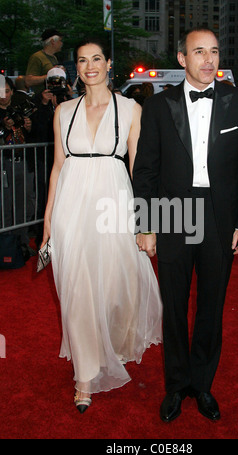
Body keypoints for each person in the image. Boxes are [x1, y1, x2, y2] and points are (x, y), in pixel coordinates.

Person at [133, 27, 238, 423]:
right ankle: (176, 386)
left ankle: (202, 384)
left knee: (212, 304)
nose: (209, 60)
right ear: (181, 58)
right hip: (173, 213)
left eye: (215, 52)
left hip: (221, 216)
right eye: (199, 52)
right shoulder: (158, 106)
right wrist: (145, 224)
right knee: (173, 306)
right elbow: (146, 171)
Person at [41, 37, 162, 413]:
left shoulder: (130, 109)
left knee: (115, 285)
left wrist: (148, 223)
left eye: (96, 59)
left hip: (116, 206)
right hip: (70, 209)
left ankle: (114, 343)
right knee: (77, 289)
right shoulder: (63, 112)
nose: (89, 66)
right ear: (75, 67)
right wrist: (47, 222)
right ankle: (85, 376)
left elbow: (140, 169)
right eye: (82, 60)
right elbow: (58, 167)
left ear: (109, 64)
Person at [0, 77, 35, 260]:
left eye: (6, 91)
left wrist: (28, 127)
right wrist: (4, 129)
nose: (3, 95)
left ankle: (22, 244)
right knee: (5, 206)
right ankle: (6, 246)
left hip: (23, 163)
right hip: (4, 165)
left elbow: (33, 135)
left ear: (12, 91)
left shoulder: (18, 111)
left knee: (25, 205)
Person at [25, 29, 63, 94]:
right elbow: (28, 81)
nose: (61, 43)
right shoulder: (37, 57)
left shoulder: (54, 58)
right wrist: (50, 76)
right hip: (42, 98)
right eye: (60, 40)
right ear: (53, 41)